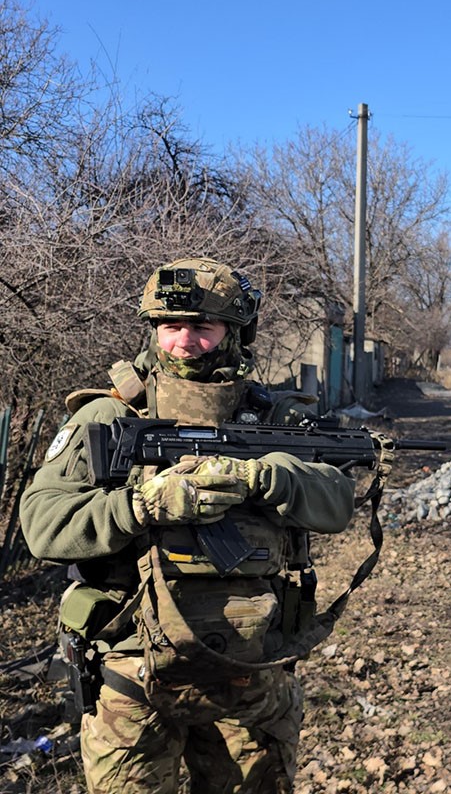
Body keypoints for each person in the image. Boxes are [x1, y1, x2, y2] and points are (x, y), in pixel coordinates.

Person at [20, 258, 356, 793]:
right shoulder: (107, 419)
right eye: (171, 327)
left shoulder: (275, 421)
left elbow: (338, 501)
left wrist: (266, 477)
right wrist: (141, 506)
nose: (184, 342)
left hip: (252, 672)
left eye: (203, 328)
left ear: (234, 335)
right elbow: (43, 525)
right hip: (131, 672)